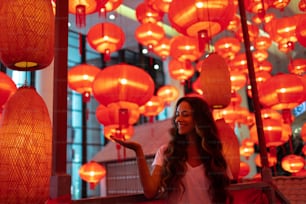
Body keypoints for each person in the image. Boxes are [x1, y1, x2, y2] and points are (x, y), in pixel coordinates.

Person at [111, 96, 233, 204]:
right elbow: (150, 191)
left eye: (185, 114)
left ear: (199, 119)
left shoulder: (215, 156)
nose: (178, 119)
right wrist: (138, 151)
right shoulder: (166, 152)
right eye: (177, 115)